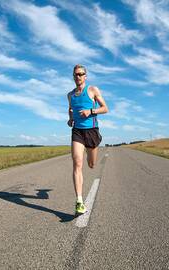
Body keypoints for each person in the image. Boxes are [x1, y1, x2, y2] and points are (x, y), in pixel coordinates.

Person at [67, 64, 108, 215]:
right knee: (77, 163)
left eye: (80, 74)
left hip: (91, 131)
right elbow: (70, 109)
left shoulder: (92, 90)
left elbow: (105, 108)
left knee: (91, 164)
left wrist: (90, 111)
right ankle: (79, 201)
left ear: (85, 76)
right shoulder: (70, 95)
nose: (78, 77)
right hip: (77, 131)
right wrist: (70, 119)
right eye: (75, 74)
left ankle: (96, 145)